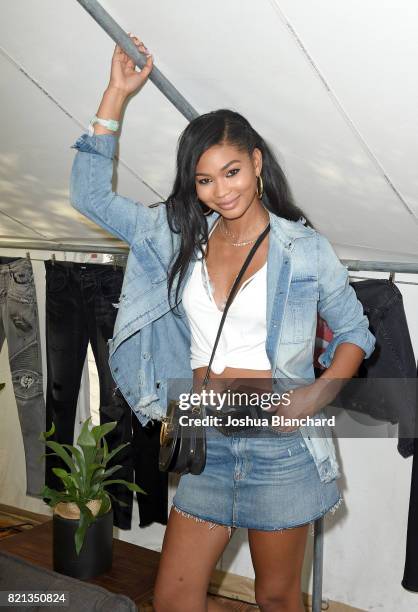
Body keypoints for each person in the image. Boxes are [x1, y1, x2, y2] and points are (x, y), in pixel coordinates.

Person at [70, 34, 376, 612]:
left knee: (278, 598)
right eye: (205, 180)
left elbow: (357, 332)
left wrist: (315, 396)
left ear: (257, 163)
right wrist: (115, 94)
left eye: (231, 171)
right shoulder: (178, 235)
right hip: (203, 429)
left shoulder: (304, 250)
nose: (220, 191)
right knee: (175, 597)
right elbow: (88, 196)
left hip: (279, 444)